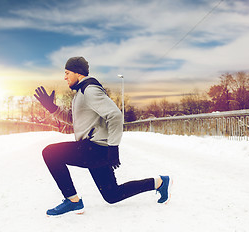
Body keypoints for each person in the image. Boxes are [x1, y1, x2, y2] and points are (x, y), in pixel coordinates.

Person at [34, 56, 172, 216]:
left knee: (50, 153)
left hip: (93, 148)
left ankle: (73, 201)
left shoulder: (89, 89)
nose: (65, 77)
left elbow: (115, 116)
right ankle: (159, 182)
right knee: (112, 195)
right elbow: (75, 120)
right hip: (94, 150)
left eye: (67, 73)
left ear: (77, 72)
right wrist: (52, 108)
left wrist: (113, 147)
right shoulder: (81, 92)